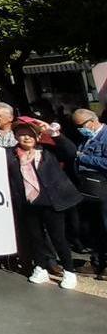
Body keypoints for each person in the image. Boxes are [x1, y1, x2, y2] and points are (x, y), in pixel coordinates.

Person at [9, 121, 81, 290]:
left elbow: (70, 152)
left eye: (30, 134)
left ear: (38, 136)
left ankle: (69, 271)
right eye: (21, 134)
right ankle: (40, 267)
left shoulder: (48, 151)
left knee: (58, 238)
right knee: (35, 237)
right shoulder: (10, 154)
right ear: (16, 137)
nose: (26, 137)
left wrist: (55, 134)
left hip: (51, 202)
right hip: (28, 203)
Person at [74, 108, 107, 278]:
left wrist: (83, 158)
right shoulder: (87, 138)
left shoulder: (105, 136)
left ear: (93, 121)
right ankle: (97, 262)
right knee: (94, 228)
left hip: (103, 188)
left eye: (81, 125)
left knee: (105, 226)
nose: (79, 129)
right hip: (89, 190)